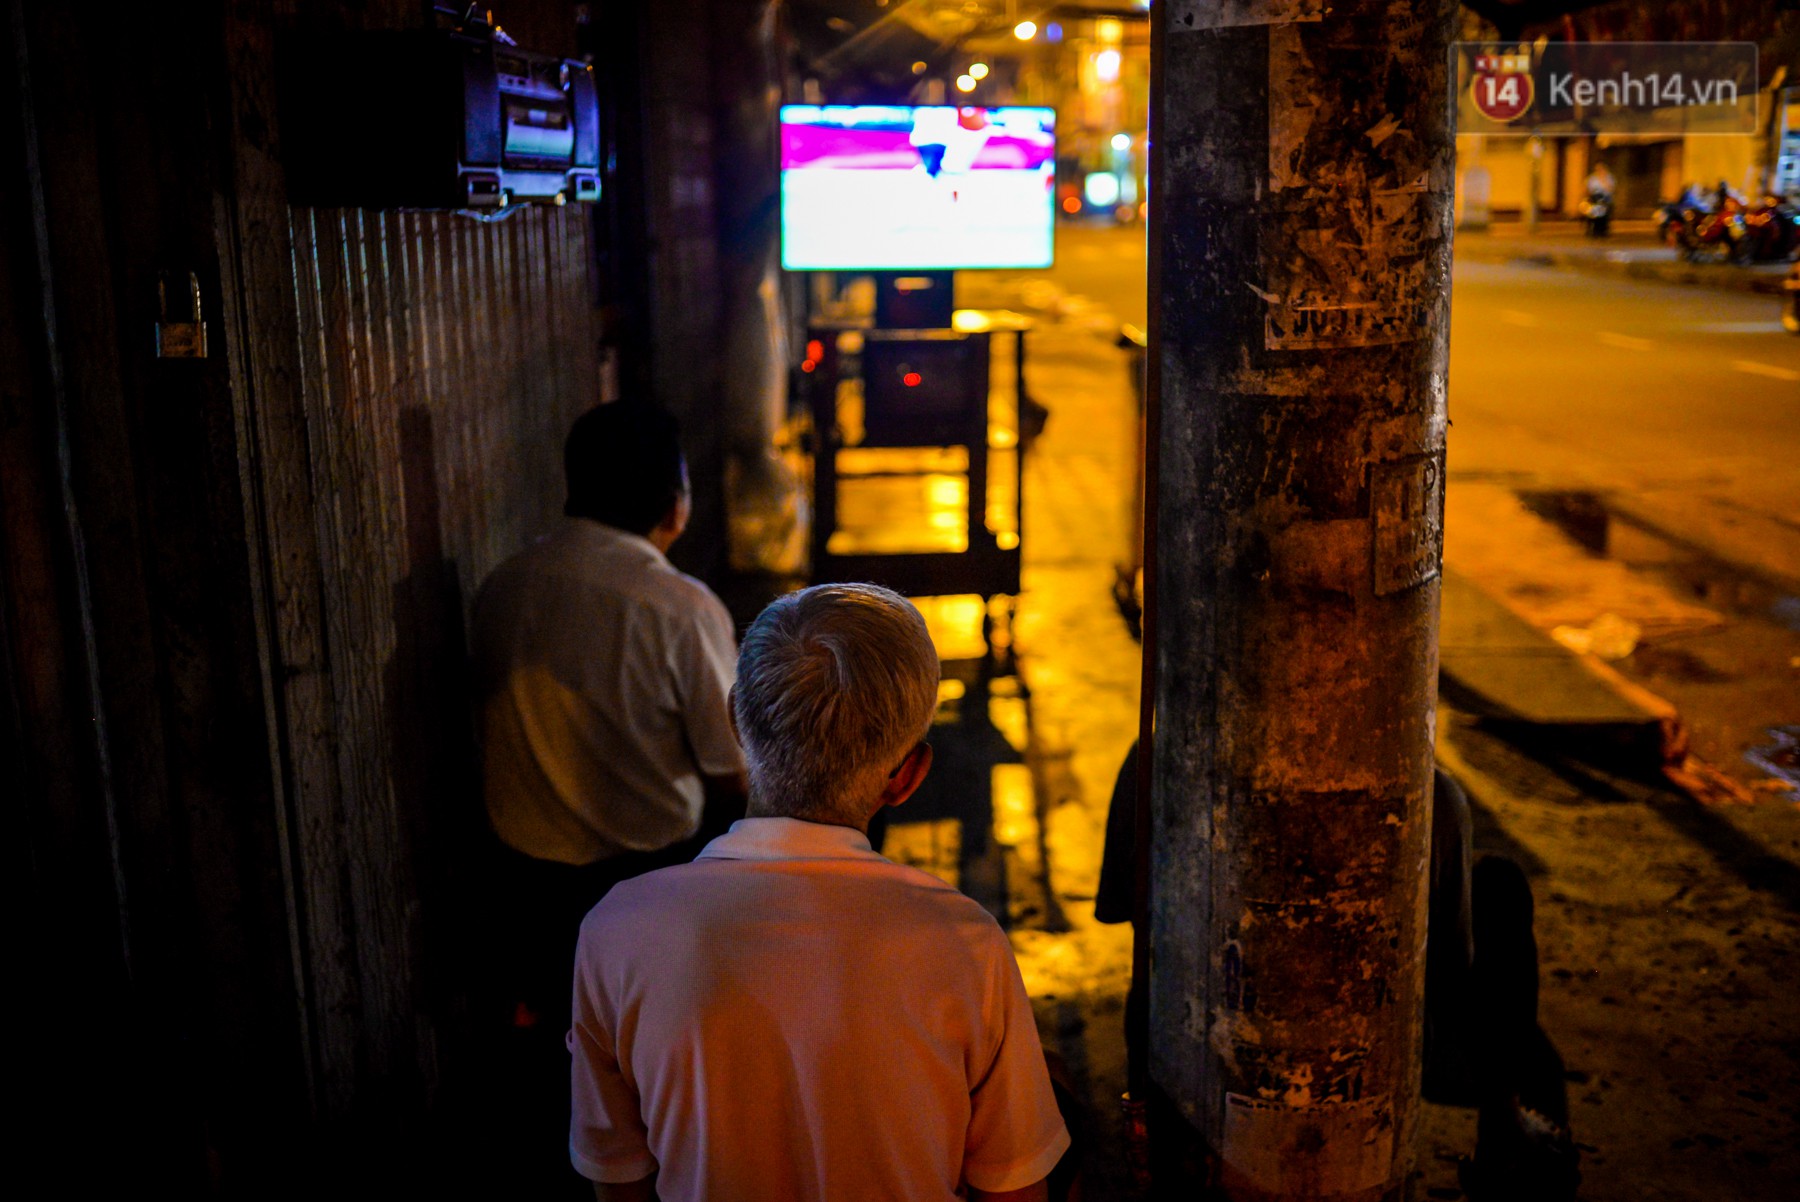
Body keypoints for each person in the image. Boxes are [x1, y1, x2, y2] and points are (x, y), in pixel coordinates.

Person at [569, 583, 1071, 1202]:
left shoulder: (618, 931)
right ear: (908, 775)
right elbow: (1014, 1187)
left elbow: (618, 1181)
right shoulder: (965, 943)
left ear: (735, 722)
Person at [469, 401, 747, 1194]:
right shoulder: (680, 606)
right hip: (647, 880)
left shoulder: (503, 585)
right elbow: (730, 773)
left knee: (564, 1073)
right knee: (647, 1078)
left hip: (520, 884)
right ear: (675, 501)